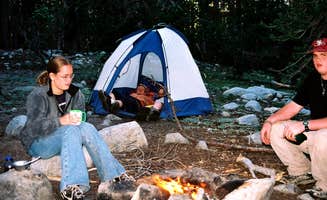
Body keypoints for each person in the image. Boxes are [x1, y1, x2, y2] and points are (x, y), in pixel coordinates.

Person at [21, 56, 135, 200]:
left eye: (71, 76)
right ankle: (71, 187)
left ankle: (114, 177)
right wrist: (61, 120)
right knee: (70, 129)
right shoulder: (38, 95)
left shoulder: (75, 92)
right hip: (39, 141)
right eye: (64, 76)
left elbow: (81, 116)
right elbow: (34, 128)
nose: (68, 80)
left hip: (65, 136)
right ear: (52, 76)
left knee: (86, 126)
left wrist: (79, 118)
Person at [260, 37, 327, 198]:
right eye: (315, 56)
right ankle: (301, 173)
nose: (318, 60)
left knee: (323, 137)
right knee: (277, 129)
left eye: (323, 55)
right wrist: (269, 121)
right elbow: (292, 108)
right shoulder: (312, 79)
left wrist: (304, 124)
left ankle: (324, 186)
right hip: (316, 137)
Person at [98, 80, 164, 121]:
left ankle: (111, 104)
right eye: (139, 86)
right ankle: (110, 103)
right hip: (130, 99)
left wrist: (160, 91)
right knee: (115, 92)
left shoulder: (152, 95)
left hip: (137, 103)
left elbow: (160, 98)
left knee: (126, 100)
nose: (140, 88)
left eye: (143, 87)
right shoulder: (134, 92)